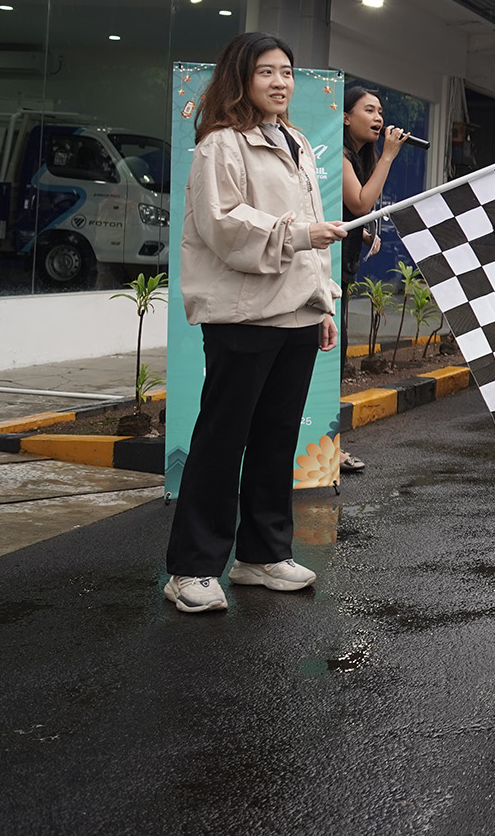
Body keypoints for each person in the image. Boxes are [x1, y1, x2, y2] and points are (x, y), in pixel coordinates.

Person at [162, 32, 345, 614]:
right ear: (239, 77)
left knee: (276, 439)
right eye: (266, 71)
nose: (280, 82)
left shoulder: (296, 140)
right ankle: (191, 569)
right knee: (222, 441)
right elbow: (222, 224)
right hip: (244, 316)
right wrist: (298, 236)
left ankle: (262, 556)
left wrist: (322, 303)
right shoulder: (221, 144)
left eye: (286, 71)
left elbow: (314, 227)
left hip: (296, 315)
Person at [337, 86, 413, 473]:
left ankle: (328, 446)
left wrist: (362, 234)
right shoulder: (340, 154)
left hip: (342, 269)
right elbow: (360, 203)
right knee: (328, 360)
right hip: (323, 272)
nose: (378, 118)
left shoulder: (360, 155)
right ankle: (325, 448)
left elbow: (347, 213)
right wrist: (388, 156)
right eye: (369, 110)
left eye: (380, 111)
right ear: (345, 117)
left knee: (332, 360)